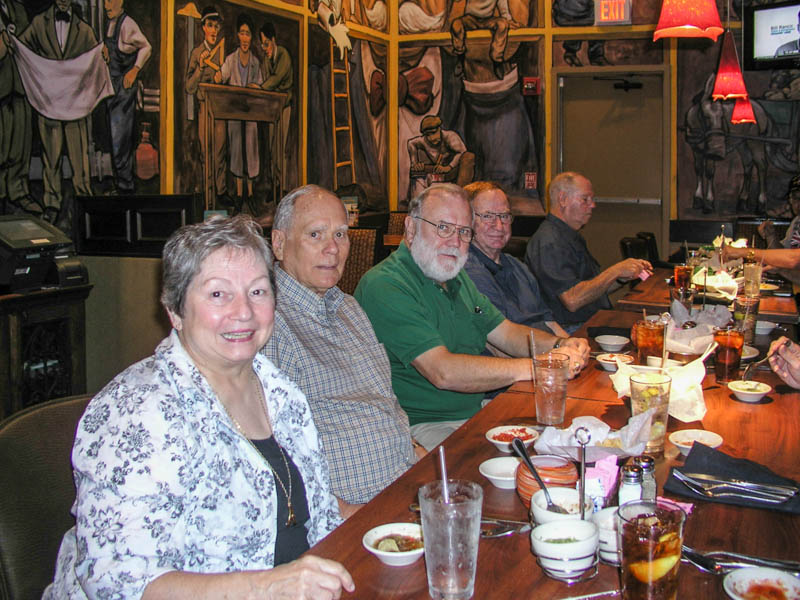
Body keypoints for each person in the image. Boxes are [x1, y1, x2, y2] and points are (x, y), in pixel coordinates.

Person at [45, 215, 354, 599]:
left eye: (258, 292)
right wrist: (270, 587)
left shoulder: (279, 390)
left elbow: (319, 517)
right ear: (174, 311)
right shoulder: (134, 412)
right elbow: (117, 583)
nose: (243, 312)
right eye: (217, 294)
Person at [355, 183, 589, 450]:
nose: (454, 241)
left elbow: (506, 332)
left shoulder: (454, 276)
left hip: (475, 411)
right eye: (443, 227)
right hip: (421, 427)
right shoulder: (386, 284)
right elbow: (443, 371)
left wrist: (560, 346)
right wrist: (542, 367)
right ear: (410, 228)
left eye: (464, 232)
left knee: (568, 442)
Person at [263, 185, 422, 507]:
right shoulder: (268, 325)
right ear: (279, 244)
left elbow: (384, 404)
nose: (332, 249)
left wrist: (425, 462)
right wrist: (346, 516)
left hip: (406, 483)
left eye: (340, 235)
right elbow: (270, 460)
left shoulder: (348, 307)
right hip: (353, 511)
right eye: (315, 235)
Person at [526, 172, 652, 333]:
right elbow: (573, 300)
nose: (593, 205)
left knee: (653, 327)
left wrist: (621, 277)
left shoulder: (569, 235)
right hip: (571, 330)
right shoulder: (549, 242)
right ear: (563, 199)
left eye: (592, 200)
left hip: (590, 320)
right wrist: (616, 270)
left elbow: (592, 289)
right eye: (585, 199)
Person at [18, 0, 97, 222]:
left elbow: (96, 57)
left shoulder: (84, 30)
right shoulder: (38, 23)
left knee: (80, 160)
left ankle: (84, 206)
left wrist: (104, 56)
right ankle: (52, 204)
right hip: (48, 103)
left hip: (76, 106)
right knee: (50, 158)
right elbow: (21, 47)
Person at [463, 181, 569, 337]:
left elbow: (549, 322)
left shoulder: (518, 266)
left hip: (549, 351)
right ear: (467, 220)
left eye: (504, 216)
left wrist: (571, 346)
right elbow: (502, 343)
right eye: (488, 216)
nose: (499, 226)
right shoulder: (469, 273)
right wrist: (559, 351)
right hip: (521, 357)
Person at [102, 0, 152, 194]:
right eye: (105, 0)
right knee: (113, 138)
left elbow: (146, 47)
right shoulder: (109, 22)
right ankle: (120, 185)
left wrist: (134, 70)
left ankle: (125, 187)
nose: (107, 5)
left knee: (120, 138)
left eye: (110, 0)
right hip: (110, 88)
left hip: (123, 89)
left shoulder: (127, 24)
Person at [217, 13, 263, 205]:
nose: (245, 38)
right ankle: (238, 194)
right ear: (238, 35)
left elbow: (259, 84)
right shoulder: (230, 60)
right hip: (234, 113)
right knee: (236, 149)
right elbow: (222, 75)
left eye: (248, 34)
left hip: (250, 112)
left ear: (252, 38)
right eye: (242, 33)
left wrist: (256, 87)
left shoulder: (255, 62)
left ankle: (250, 195)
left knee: (251, 150)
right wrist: (218, 76)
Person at [185, 5, 229, 204]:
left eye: (216, 27)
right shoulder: (196, 53)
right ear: (203, 27)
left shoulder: (222, 53)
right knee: (207, 152)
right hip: (204, 108)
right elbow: (189, 87)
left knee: (220, 153)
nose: (213, 30)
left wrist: (223, 78)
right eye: (210, 26)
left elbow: (228, 81)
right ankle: (207, 194)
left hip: (220, 109)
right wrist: (200, 69)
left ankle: (220, 193)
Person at [0, 0, 40, 217]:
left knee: (19, 146)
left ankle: (18, 192)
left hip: (22, 86)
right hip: (1, 88)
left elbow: (28, 43)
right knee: (2, 146)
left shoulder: (19, 9)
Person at [407, 114, 475, 200]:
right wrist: (415, 163)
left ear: (439, 129)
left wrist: (449, 167)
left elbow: (462, 152)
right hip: (437, 170)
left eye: (434, 133)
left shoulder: (450, 136)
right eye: (428, 135)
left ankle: (460, 197)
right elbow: (411, 143)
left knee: (469, 157)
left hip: (454, 170)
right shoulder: (422, 141)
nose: (431, 138)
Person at [259, 21, 293, 192]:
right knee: (273, 150)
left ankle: (283, 187)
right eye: (262, 45)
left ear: (273, 40)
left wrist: (260, 88)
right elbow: (265, 79)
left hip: (284, 108)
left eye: (266, 44)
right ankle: (275, 186)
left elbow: (275, 80)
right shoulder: (266, 60)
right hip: (271, 110)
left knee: (281, 149)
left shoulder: (283, 55)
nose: (264, 48)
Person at [449, 0, 520, 79]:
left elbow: (504, 9)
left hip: (488, 20)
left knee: (502, 25)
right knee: (456, 25)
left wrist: (509, 20)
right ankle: (460, 57)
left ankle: (497, 60)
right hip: (471, 19)